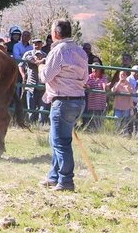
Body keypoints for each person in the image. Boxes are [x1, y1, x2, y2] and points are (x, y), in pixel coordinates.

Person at [39, 19, 88, 192]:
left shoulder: (58, 50)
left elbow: (46, 76)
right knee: (56, 139)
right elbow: (86, 78)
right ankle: (54, 176)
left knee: (61, 142)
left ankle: (66, 181)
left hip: (62, 100)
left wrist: (41, 66)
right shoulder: (80, 51)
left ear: (55, 33)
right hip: (78, 100)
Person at [20, 38, 48, 124]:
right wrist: (23, 75)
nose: (37, 45)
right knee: (30, 108)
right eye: (35, 43)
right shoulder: (28, 54)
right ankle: (31, 124)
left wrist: (43, 60)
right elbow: (21, 64)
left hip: (42, 86)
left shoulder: (45, 55)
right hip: (31, 84)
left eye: (39, 43)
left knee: (42, 109)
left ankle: (41, 125)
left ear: (42, 44)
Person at [109, 71, 136, 135]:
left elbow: (132, 92)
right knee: (117, 121)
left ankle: (124, 135)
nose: (122, 76)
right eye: (121, 75)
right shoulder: (116, 84)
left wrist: (127, 87)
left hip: (126, 107)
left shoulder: (129, 84)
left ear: (126, 76)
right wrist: (119, 83)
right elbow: (113, 90)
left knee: (125, 123)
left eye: (124, 74)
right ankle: (117, 134)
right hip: (118, 106)